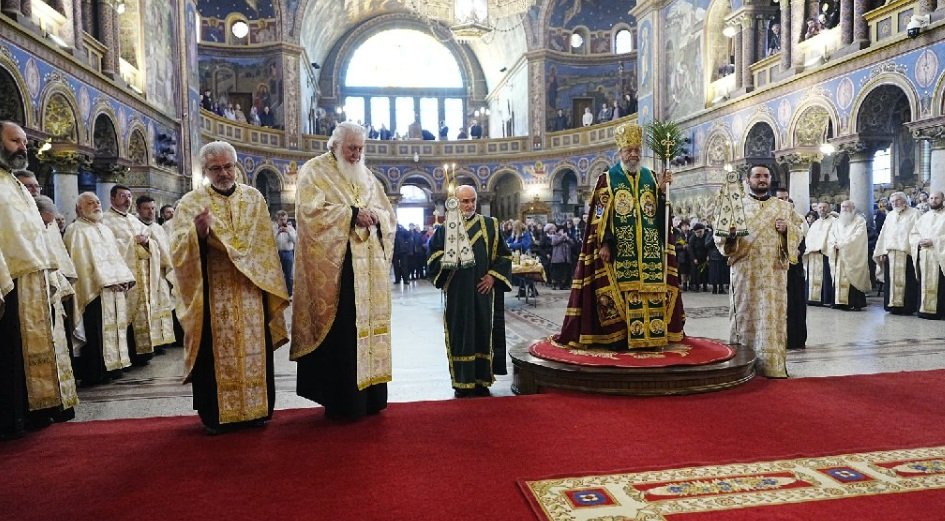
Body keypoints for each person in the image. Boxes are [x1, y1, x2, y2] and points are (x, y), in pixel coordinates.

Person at [170, 141, 289, 434]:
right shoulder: (190, 203)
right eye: (216, 169)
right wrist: (197, 234)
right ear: (205, 170)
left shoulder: (254, 199)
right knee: (216, 350)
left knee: (254, 348)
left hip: (251, 290)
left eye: (228, 167)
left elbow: (264, 247)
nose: (223, 173)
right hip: (213, 291)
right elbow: (178, 251)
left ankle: (257, 410)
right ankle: (217, 415)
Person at [292, 121, 396, 420]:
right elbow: (309, 212)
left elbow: (387, 215)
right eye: (351, 148)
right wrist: (351, 215)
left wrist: (375, 217)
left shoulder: (367, 176)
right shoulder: (315, 171)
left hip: (370, 271)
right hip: (338, 271)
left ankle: (371, 397)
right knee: (344, 336)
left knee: (369, 329)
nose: (356, 155)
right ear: (335, 146)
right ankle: (344, 401)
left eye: (361, 149)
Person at [554, 122, 685, 350]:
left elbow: (662, 216)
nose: (633, 154)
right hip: (620, 251)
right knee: (623, 293)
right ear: (620, 152)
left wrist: (663, 193)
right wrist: (604, 242)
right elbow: (599, 213)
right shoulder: (608, 178)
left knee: (650, 290)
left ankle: (651, 336)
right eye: (628, 150)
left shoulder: (652, 178)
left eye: (636, 149)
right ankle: (622, 336)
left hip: (650, 250)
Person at [0, 121, 74, 439]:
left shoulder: (14, 184)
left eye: (25, 141)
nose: (23, 146)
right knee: (9, 351)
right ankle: (10, 418)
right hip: (10, 278)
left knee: (27, 351)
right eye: (15, 140)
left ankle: (33, 411)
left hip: (33, 277)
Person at [714, 165, 802, 378]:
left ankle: (772, 364)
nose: (761, 179)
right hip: (746, 273)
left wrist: (787, 230)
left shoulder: (784, 207)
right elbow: (720, 238)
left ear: (770, 179)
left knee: (772, 317)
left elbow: (799, 233)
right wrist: (731, 235)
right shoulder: (736, 206)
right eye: (757, 176)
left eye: (765, 176)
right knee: (744, 318)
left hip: (774, 274)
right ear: (748, 179)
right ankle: (742, 366)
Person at [428, 185, 512, 397]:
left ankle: (482, 379)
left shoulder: (490, 225)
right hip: (458, 293)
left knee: (483, 332)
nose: (470, 205)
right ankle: (462, 380)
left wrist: (493, 276)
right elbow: (431, 260)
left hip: (483, 294)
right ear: (456, 202)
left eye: (473, 200)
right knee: (461, 333)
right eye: (465, 201)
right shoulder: (445, 230)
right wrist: (448, 261)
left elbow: (504, 256)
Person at [64, 193, 136, 387]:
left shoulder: (104, 229)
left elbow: (116, 258)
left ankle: (114, 367)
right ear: (79, 209)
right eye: (90, 203)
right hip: (94, 291)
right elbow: (80, 265)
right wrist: (105, 282)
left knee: (115, 329)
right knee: (95, 331)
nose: (96, 205)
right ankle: (96, 372)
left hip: (114, 289)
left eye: (97, 202)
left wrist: (124, 279)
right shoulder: (75, 230)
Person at [103, 184, 162, 366]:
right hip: (124, 277)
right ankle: (128, 355)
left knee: (143, 313)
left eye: (129, 196)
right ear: (112, 199)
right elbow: (109, 248)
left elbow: (150, 241)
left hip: (142, 276)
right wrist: (132, 241)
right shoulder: (106, 221)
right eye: (122, 196)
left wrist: (147, 243)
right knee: (124, 315)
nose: (127, 200)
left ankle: (143, 353)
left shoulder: (135, 220)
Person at [135, 195, 176, 349]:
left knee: (163, 304)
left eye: (153, 208)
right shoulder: (135, 226)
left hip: (161, 274)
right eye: (146, 208)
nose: (150, 212)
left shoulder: (159, 228)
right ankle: (150, 342)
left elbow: (167, 251)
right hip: (145, 275)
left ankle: (162, 341)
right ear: (138, 209)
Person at [873, 191, 920, 315]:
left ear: (904, 201)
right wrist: (882, 251)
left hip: (907, 253)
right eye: (892, 201)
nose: (895, 203)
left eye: (897, 200)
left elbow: (919, 232)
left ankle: (908, 307)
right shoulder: (890, 215)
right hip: (891, 254)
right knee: (891, 281)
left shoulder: (915, 214)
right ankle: (892, 305)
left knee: (908, 281)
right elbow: (884, 234)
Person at [775, 188, 808, 350]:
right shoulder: (768, 217)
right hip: (775, 269)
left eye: (786, 198)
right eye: (780, 198)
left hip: (794, 268)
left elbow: (804, 238)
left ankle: (796, 339)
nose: (784, 201)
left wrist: (799, 248)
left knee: (795, 303)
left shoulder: (797, 218)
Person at [827, 200, 871, 311]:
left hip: (853, 254)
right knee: (838, 278)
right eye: (843, 207)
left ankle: (854, 302)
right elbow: (831, 235)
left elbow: (858, 237)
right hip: (838, 254)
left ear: (853, 208)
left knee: (852, 276)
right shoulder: (836, 222)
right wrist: (834, 244)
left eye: (847, 207)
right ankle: (838, 302)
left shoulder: (859, 221)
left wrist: (842, 244)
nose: (845, 209)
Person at [910, 191, 945, 320]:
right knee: (924, 283)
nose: (933, 200)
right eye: (931, 198)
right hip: (925, 255)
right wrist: (919, 241)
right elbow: (914, 233)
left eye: (936, 198)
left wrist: (934, 241)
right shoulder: (924, 217)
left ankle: (939, 311)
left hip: (939, 256)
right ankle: (924, 310)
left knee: (940, 284)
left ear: (943, 199)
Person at [803, 202, 836, 305]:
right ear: (817, 209)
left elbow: (833, 237)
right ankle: (812, 299)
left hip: (825, 253)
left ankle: (826, 299)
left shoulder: (834, 222)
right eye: (820, 207)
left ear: (829, 208)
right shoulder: (816, 223)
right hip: (813, 254)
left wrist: (824, 248)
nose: (822, 209)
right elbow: (809, 237)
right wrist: (810, 249)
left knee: (826, 278)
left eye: (825, 207)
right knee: (812, 278)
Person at [273, 210, 297, 296]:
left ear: (286, 219)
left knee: (289, 275)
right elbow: (271, 242)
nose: (283, 221)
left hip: (288, 253)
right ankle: (280, 293)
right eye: (281, 219)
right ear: (277, 220)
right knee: (278, 274)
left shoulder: (291, 229)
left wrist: (289, 232)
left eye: (284, 219)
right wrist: (277, 233)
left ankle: (290, 294)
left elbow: (295, 241)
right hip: (277, 254)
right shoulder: (274, 228)